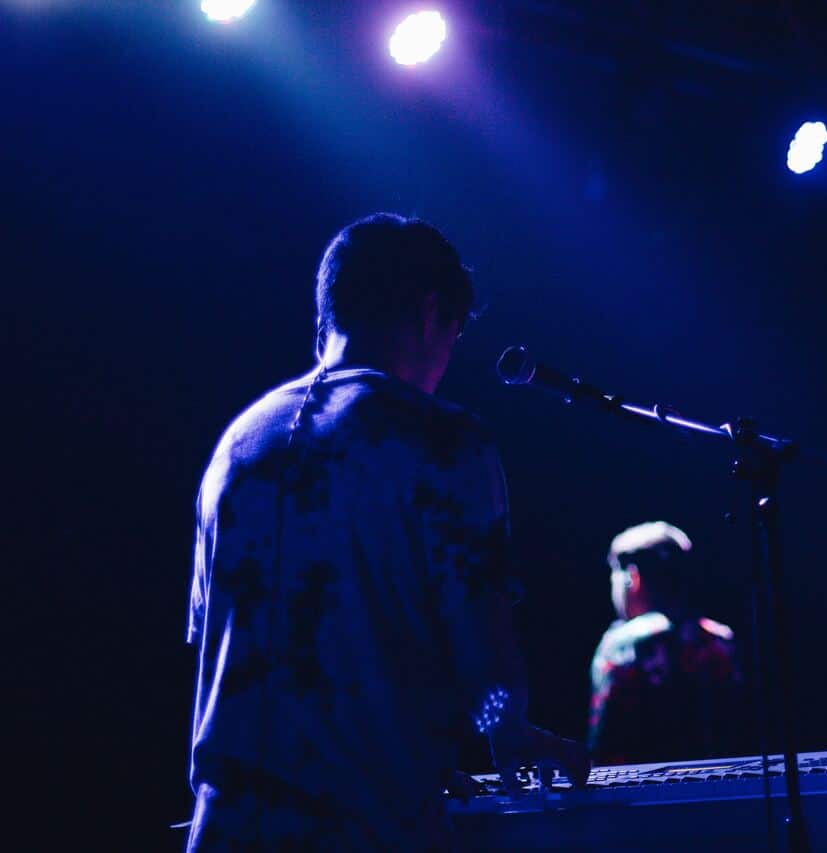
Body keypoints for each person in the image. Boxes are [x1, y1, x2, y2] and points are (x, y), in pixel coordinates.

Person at [184, 213, 587, 851]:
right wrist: (506, 730)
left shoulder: (237, 446)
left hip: (224, 830)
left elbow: (223, 644)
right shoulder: (441, 439)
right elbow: (481, 642)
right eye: (453, 337)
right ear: (431, 314)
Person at [586, 521, 746, 766]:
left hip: (641, 796)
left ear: (633, 577)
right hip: (718, 792)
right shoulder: (721, 640)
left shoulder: (622, 645)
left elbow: (604, 745)